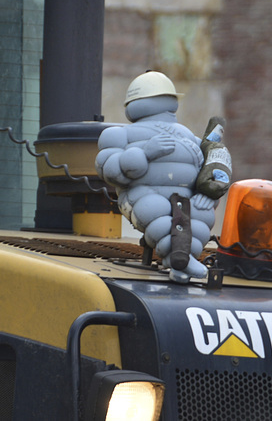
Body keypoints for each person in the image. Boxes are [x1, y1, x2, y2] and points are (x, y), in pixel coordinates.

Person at [95, 71, 227, 283]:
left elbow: (208, 172)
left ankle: (181, 263)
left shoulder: (190, 137)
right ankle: (180, 260)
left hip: (185, 197)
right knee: (153, 210)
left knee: (202, 214)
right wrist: (145, 153)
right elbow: (111, 170)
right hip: (142, 193)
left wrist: (208, 194)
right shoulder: (119, 134)